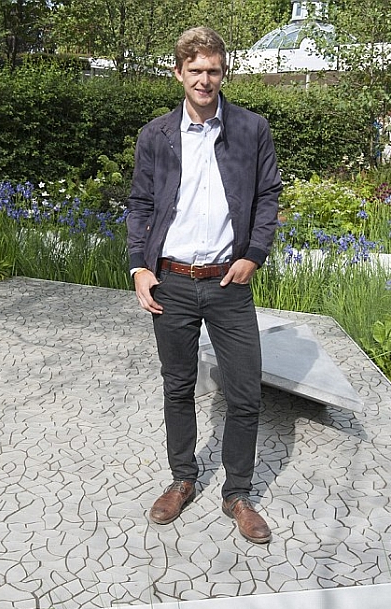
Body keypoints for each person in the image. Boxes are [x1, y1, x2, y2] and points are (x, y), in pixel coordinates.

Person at [126, 26, 282, 544]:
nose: (205, 79)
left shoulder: (251, 129)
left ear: (223, 72)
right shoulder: (156, 136)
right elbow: (141, 205)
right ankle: (182, 479)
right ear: (179, 73)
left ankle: (237, 492)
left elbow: (267, 197)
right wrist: (138, 267)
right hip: (170, 280)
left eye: (213, 70)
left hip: (228, 282)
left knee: (244, 392)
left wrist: (254, 255)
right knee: (178, 386)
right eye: (195, 70)